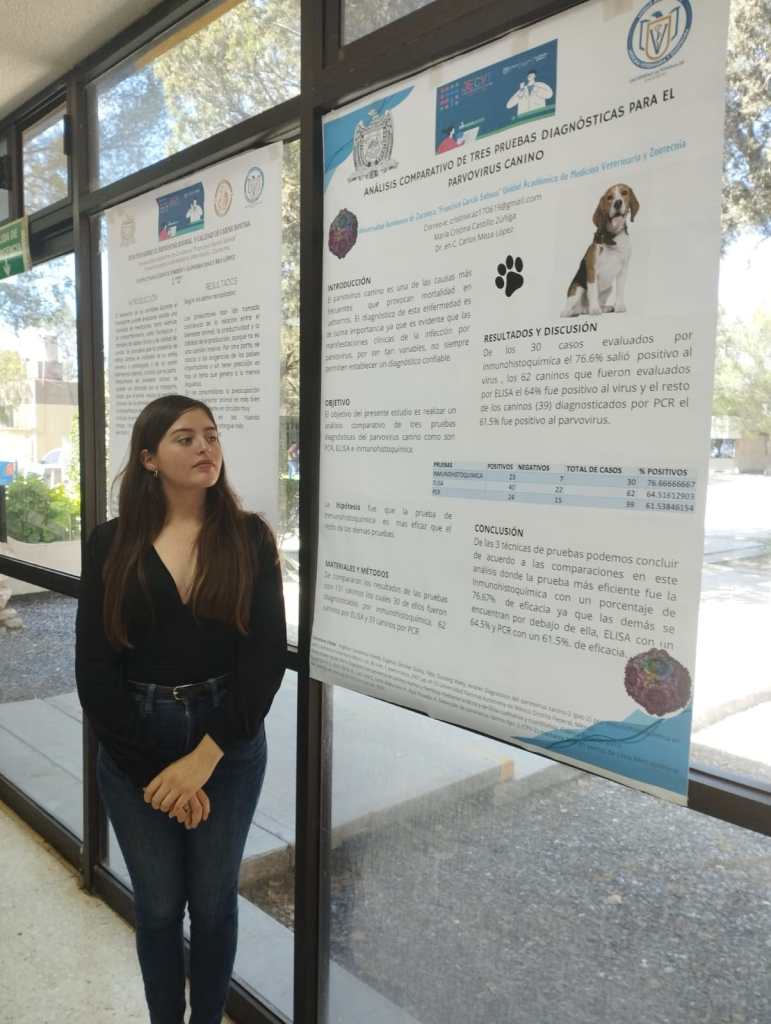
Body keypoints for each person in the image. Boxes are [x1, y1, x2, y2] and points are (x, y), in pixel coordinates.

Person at [75, 394, 286, 1024]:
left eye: (211, 436)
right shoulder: (110, 544)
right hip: (134, 740)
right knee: (160, 906)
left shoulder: (248, 537)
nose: (205, 448)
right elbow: (95, 670)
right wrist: (156, 775)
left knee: (215, 902)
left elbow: (264, 659)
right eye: (185, 438)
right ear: (149, 458)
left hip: (229, 739)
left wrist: (204, 760)